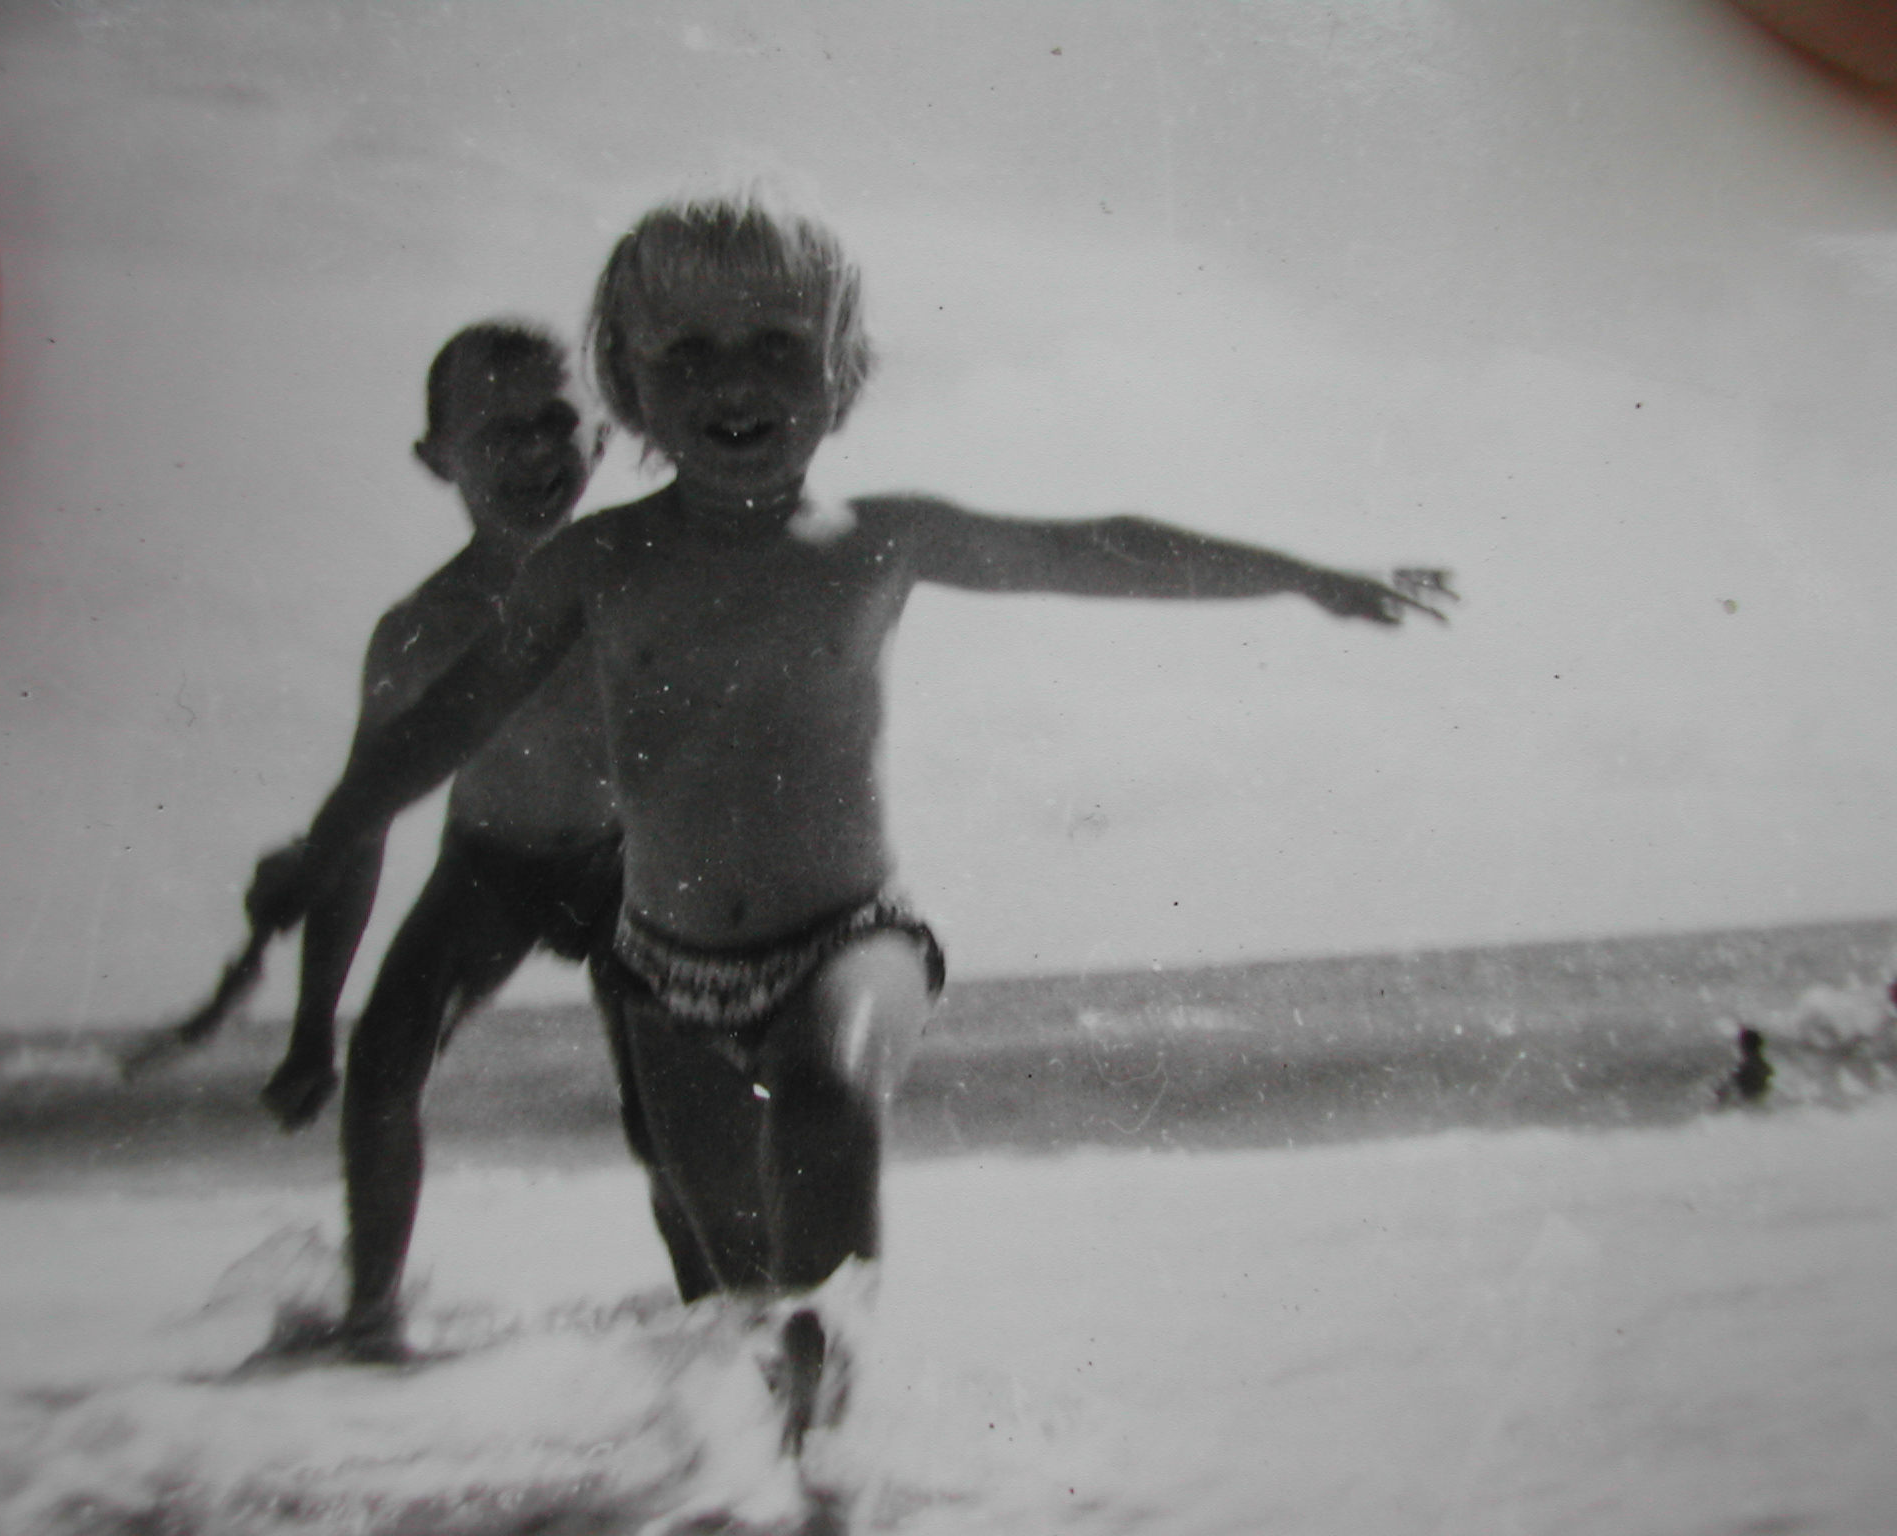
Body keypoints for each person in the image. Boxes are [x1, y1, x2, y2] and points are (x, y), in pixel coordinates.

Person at [245, 198, 1449, 1463]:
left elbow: (1093, 547)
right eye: (686, 351)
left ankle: (838, 1487)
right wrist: (324, 845)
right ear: (629, 387)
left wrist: (1302, 574)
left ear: (843, 369)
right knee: (743, 1305)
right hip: (662, 976)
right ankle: (757, 1479)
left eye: (776, 343)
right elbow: (440, 724)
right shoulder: (592, 564)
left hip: (852, 937)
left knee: (822, 1105)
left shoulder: (879, 541)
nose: (734, 382)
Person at [258, 321, 714, 1361]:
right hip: (489, 866)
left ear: (606, 434)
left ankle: (723, 1329)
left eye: (555, 421)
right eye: (495, 431)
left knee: (667, 1115)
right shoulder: (418, 630)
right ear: (438, 458)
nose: (532, 451)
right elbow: (361, 827)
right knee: (383, 1063)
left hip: (627, 869)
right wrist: (311, 1024)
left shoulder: (642, 581)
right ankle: (370, 1324)